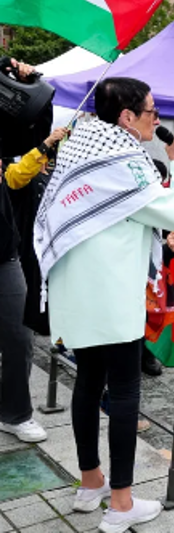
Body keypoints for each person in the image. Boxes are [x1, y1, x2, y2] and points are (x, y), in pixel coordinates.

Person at [36, 77, 174, 531]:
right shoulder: (125, 163)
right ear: (126, 117)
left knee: (87, 384)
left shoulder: (78, 149)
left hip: (75, 294)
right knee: (124, 392)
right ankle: (121, 505)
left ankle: (91, 484)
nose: (156, 120)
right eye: (151, 112)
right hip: (113, 298)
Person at [0, 57, 66, 444]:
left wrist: (34, 83)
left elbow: (28, 130)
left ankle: (14, 412)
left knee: (19, 335)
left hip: (4, 252)